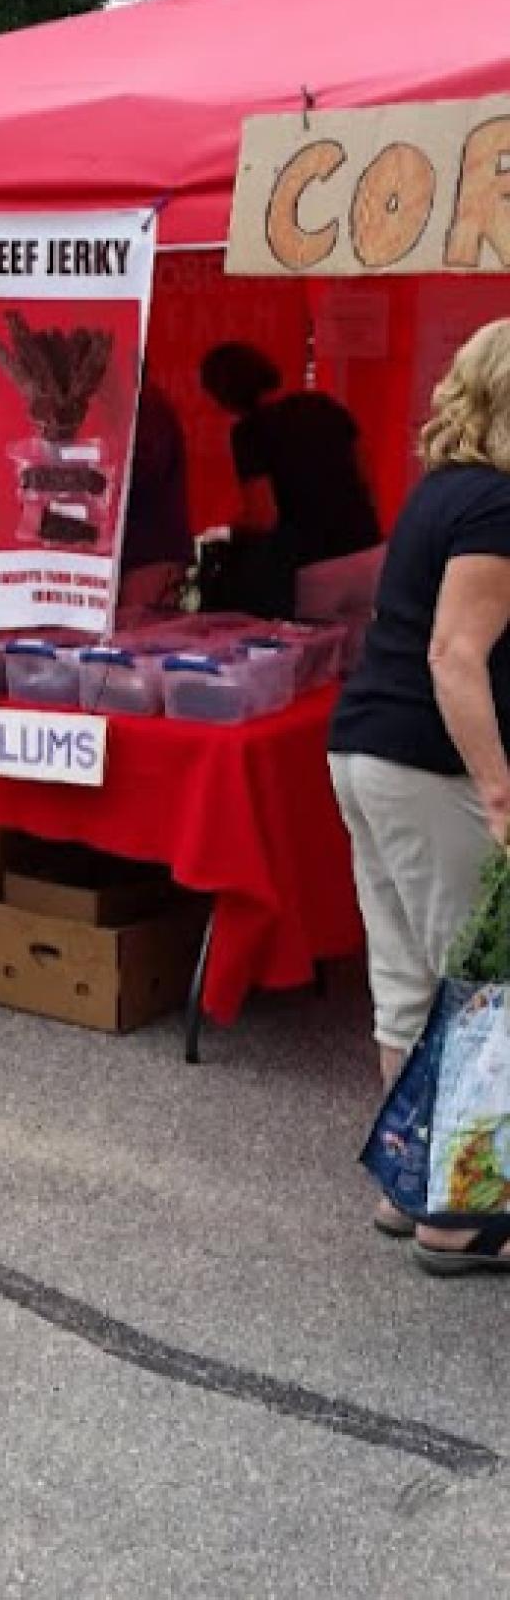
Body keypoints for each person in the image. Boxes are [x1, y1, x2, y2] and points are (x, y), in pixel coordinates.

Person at [330, 318, 510, 1275]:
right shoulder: (497, 506)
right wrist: (500, 789)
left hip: (368, 750)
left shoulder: (446, 491)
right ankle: (460, 1217)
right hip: (428, 765)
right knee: (484, 992)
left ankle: (411, 1187)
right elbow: (456, 654)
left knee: (408, 983)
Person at [199, 343, 384, 619]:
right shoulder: (327, 406)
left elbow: (264, 515)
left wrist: (228, 529)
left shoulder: (249, 433)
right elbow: (368, 479)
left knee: (316, 656)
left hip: (314, 565)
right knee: (359, 654)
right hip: (368, 551)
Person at [120, 380, 192, 610]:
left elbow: (144, 470)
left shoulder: (143, 405)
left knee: (137, 634)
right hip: (144, 551)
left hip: (147, 552)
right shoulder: (139, 402)